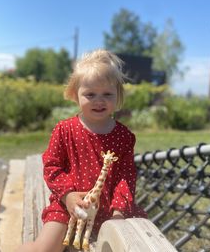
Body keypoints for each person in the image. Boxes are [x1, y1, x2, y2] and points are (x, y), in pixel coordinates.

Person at [16, 49, 147, 252]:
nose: (99, 100)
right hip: (69, 206)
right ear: (75, 95)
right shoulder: (65, 130)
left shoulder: (123, 136)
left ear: (118, 95)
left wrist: (119, 212)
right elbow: (52, 166)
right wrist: (67, 196)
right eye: (90, 94)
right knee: (43, 249)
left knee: (132, 244)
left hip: (109, 210)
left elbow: (125, 176)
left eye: (107, 94)